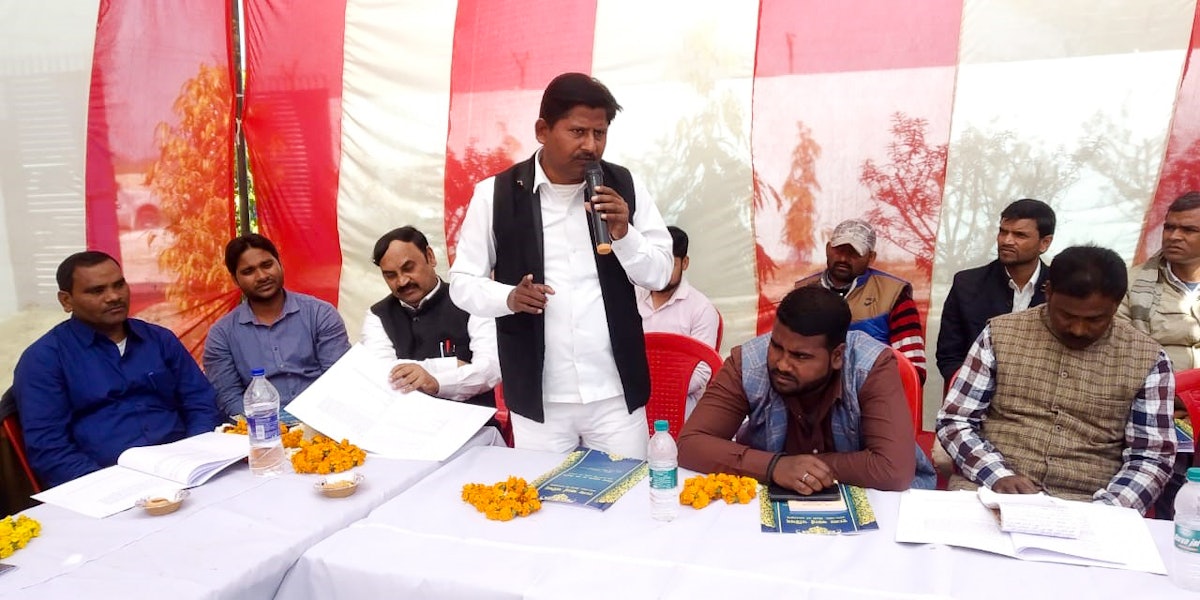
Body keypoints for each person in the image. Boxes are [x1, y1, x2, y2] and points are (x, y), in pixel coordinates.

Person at [449, 72, 673, 458]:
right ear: (542, 130)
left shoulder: (624, 186)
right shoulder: (495, 195)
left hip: (615, 395)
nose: (591, 145)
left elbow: (661, 273)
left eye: (599, 133)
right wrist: (509, 298)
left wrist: (624, 233)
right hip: (541, 401)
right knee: (544, 508)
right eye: (578, 132)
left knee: (626, 503)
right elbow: (462, 283)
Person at [938, 246, 1175, 512]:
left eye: (1095, 319)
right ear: (1048, 292)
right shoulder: (1000, 334)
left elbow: (1151, 455)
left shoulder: (1147, 358)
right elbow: (956, 420)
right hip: (989, 492)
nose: (1078, 329)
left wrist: (1109, 510)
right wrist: (997, 475)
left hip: (1092, 504)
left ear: (1117, 304)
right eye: (1067, 315)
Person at [678, 286, 936, 493]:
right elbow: (690, 445)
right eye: (776, 346)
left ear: (837, 356)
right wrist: (775, 467)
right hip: (769, 498)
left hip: (869, 499)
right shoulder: (748, 362)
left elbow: (893, 470)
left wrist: (799, 467)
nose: (782, 364)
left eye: (800, 357)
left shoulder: (871, 366)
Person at [14, 251, 223, 487]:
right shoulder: (44, 359)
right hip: (106, 483)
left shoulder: (159, 340)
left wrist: (195, 455)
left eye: (119, 285)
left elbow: (200, 402)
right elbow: (49, 448)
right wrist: (111, 485)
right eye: (97, 291)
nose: (114, 296)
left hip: (187, 469)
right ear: (66, 300)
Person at [203, 234, 350, 423]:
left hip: (323, 423)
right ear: (235, 279)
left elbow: (338, 379)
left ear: (280, 263)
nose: (262, 276)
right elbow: (229, 397)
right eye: (249, 271)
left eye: (267, 265)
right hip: (259, 430)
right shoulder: (222, 335)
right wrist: (270, 429)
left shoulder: (320, 314)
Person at [360, 226, 500, 406]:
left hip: (472, 425)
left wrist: (435, 382)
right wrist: (451, 366)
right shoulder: (377, 316)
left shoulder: (471, 301)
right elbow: (382, 376)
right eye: (391, 275)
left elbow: (490, 369)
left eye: (408, 268)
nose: (402, 281)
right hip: (404, 424)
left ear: (430, 257)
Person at [936, 199, 1054, 383]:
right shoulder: (967, 284)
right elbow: (949, 356)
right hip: (976, 395)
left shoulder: (1060, 290)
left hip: (1039, 399)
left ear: (1044, 243)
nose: (1007, 241)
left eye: (1020, 235)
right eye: (1003, 232)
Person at [795, 218, 927, 383]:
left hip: (871, 395)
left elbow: (913, 369)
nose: (843, 258)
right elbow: (784, 353)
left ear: (871, 257)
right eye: (838, 250)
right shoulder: (801, 293)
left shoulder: (895, 295)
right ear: (828, 248)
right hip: (810, 394)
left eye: (854, 253)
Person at [636, 225, 720, 419]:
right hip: (632, 400)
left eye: (669, 265)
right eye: (657, 264)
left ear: (685, 263)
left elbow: (702, 372)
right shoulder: (630, 298)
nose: (661, 274)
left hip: (680, 405)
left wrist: (660, 389)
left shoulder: (701, 309)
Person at [1120, 191, 1200, 371]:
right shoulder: (1128, 283)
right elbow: (1121, 348)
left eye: (1188, 230)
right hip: (1153, 389)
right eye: (1169, 227)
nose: (1173, 236)